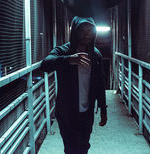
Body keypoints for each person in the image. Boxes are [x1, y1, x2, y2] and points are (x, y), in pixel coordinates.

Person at [41, 16, 107, 154]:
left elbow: (100, 83)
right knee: (71, 148)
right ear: (75, 32)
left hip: (87, 110)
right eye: (82, 30)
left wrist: (103, 108)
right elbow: (45, 64)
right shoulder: (63, 51)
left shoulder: (96, 55)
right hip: (66, 111)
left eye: (89, 30)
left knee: (83, 147)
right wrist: (68, 60)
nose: (86, 34)